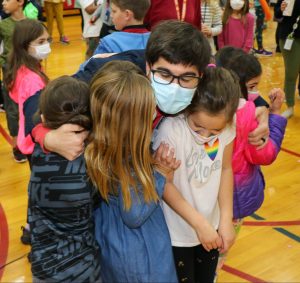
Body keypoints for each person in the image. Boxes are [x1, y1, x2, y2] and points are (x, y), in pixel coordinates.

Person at [85, 60, 178, 282]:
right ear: (135, 123)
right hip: (141, 261)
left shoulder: (95, 148)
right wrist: (161, 175)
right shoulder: (124, 159)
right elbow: (134, 213)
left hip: (115, 252)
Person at [152, 67, 240, 283]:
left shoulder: (229, 125)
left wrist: (225, 220)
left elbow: (226, 168)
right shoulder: (171, 130)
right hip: (177, 233)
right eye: (198, 127)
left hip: (210, 227)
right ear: (187, 110)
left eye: (214, 132)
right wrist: (200, 224)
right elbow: (164, 185)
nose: (205, 137)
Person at [214, 47, 287, 279]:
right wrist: (274, 115)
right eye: (253, 86)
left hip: (208, 198)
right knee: (220, 252)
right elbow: (265, 155)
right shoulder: (247, 115)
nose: (257, 92)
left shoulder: (212, 103)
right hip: (235, 200)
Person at [28, 76, 101, 283]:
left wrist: (44, 134)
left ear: (44, 119)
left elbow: (35, 126)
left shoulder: (42, 151)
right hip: (80, 269)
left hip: (45, 266)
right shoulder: (83, 172)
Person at [4, 18, 50, 245]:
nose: (47, 46)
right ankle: (34, 228)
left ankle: (33, 225)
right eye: (41, 41)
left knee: (36, 184)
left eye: (48, 40)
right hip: (34, 142)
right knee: (40, 187)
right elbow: (35, 118)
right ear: (25, 45)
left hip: (26, 140)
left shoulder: (22, 69)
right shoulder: (32, 79)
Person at [0, 0, 27, 162]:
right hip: (10, 72)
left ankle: (30, 138)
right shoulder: (3, 25)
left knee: (30, 106)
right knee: (12, 109)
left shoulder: (32, 24)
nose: (3, 3)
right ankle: (17, 145)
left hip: (29, 72)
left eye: (7, 0)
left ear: (20, 2)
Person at [275, 0, 300, 119]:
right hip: (290, 37)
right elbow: (277, 14)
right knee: (291, 72)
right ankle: (290, 106)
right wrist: (281, 9)